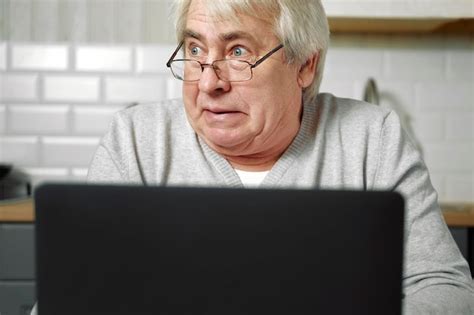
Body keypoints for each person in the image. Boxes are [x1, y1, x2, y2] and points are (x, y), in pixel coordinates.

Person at [31, 0, 473, 314]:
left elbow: (447, 288)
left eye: (238, 52)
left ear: (305, 66)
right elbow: (69, 298)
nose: (208, 83)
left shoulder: (371, 138)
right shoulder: (136, 139)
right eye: (196, 51)